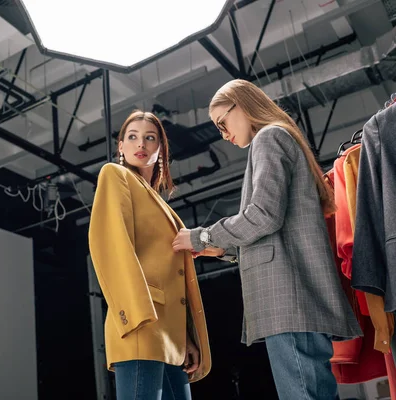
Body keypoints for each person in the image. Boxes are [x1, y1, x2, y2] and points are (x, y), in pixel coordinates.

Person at [172, 79, 362, 400]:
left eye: (223, 123)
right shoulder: (280, 138)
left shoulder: (269, 137)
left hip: (289, 301)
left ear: (242, 105)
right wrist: (225, 248)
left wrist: (202, 236)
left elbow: (263, 215)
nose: (224, 134)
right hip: (296, 301)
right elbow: (275, 226)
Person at [88, 110, 211, 400]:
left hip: (171, 335)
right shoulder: (115, 175)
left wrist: (185, 337)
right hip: (141, 322)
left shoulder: (160, 203)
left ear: (160, 150)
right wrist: (134, 317)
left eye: (149, 138)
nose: (140, 144)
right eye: (132, 137)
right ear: (120, 146)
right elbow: (112, 245)